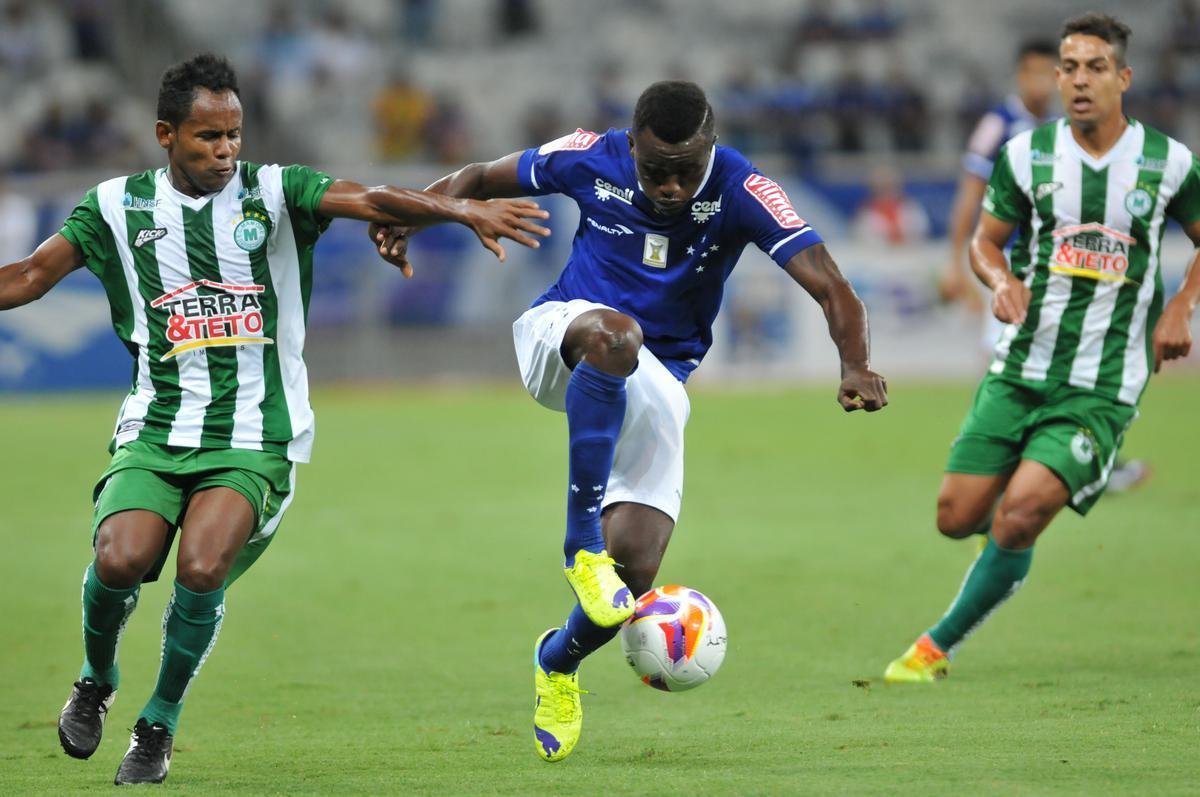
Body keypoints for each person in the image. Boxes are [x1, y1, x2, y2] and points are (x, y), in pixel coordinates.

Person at [0, 53, 549, 785]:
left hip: (256, 435)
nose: (226, 150)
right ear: (166, 134)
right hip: (157, 427)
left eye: (234, 134)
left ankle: (158, 722)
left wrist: (461, 208)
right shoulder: (113, 208)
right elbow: (30, 275)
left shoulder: (276, 191)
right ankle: (96, 679)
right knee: (118, 559)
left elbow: (369, 196)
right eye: (208, 137)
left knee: (202, 567)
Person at [374, 80, 888, 761]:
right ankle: (579, 547)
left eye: (686, 171)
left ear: (711, 147)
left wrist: (855, 363)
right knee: (616, 335)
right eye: (654, 170)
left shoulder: (744, 188)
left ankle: (557, 663)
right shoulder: (590, 154)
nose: (670, 187)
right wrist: (418, 215)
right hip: (562, 334)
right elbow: (478, 175)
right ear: (633, 146)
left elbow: (831, 283)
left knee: (634, 574)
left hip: (659, 378)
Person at [883, 13, 1200, 684]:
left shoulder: (1168, 162)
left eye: (1095, 68)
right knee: (955, 518)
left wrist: (1181, 305)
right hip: (1021, 367)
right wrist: (999, 281)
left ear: (1123, 77)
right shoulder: (1026, 156)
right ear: (1057, 77)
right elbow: (985, 241)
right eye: (1070, 68)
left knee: (1021, 513)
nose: (1080, 81)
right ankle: (1007, 541)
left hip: (1103, 382)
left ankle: (933, 648)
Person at [941, 36, 1151, 493]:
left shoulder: (1064, 128)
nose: (1042, 82)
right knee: (1003, 358)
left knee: (1074, 361)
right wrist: (954, 262)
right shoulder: (998, 125)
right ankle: (992, 458)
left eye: (1048, 73)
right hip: (1008, 266)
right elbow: (970, 194)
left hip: (1063, 268)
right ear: (1021, 75)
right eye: (1034, 72)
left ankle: (1084, 458)